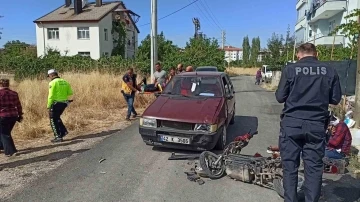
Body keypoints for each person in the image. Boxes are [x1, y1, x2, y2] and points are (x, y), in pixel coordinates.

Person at [275, 43, 342, 202]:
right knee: (313, 168)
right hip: (316, 125)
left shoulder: (290, 70)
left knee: (290, 167)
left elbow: (279, 97)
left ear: (299, 54)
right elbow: (335, 99)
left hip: (292, 125)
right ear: (316, 54)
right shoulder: (329, 70)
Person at [47, 69, 73, 143]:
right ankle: (63, 131)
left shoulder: (52, 83)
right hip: (64, 103)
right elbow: (70, 92)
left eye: (49, 76)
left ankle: (58, 136)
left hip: (55, 104)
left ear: (51, 75)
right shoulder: (65, 81)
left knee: (52, 120)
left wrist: (48, 105)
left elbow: (51, 95)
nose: (49, 78)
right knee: (57, 117)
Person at [0, 79, 23, 157]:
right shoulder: (14, 93)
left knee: (4, 133)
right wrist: (20, 115)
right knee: (5, 132)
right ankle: (2, 146)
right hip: (13, 115)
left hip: (3, 115)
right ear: (8, 84)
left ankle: (11, 151)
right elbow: (18, 105)